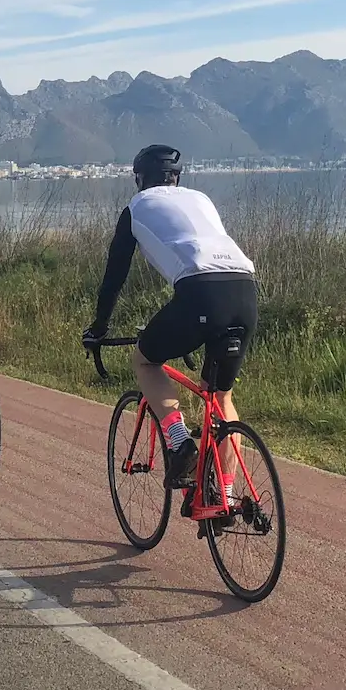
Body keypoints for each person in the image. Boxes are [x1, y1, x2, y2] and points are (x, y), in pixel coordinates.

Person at [83, 144, 257, 490]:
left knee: (146, 362)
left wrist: (99, 328)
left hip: (199, 293)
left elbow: (114, 277)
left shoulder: (136, 207)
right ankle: (226, 495)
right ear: (177, 178)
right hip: (246, 289)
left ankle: (179, 444)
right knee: (221, 397)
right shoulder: (201, 199)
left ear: (139, 179)